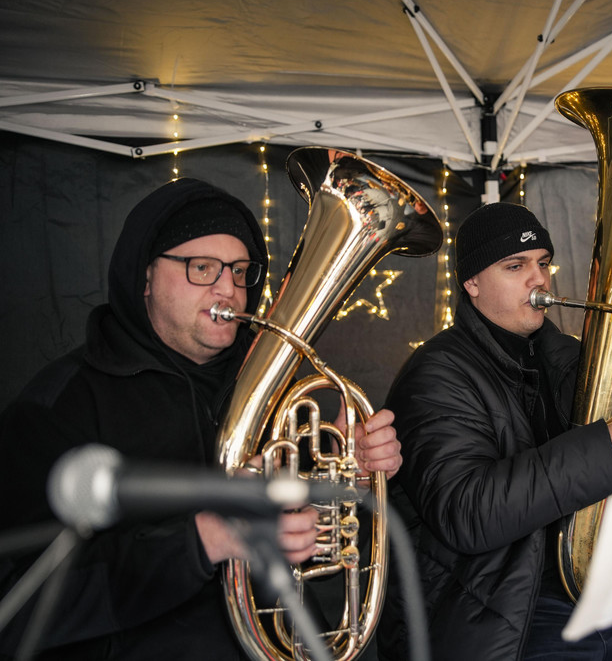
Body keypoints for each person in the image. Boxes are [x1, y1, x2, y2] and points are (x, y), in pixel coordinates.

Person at [0, 177, 402, 660]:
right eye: (202, 267)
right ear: (145, 276)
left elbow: (319, 549)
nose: (228, 289)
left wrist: (348, 481)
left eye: (239, 271)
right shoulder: (58, 405)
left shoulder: (278, 392)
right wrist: (201, 542)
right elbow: (19, 606)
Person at [378, 202, 612, 661]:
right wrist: (607, 448)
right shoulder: (434, 375)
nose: (539, 279)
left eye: (543, 263)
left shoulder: (571, 356)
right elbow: (467, 513)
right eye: (515, 265)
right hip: (501, 607)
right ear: (472, 283)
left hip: (601, 590)